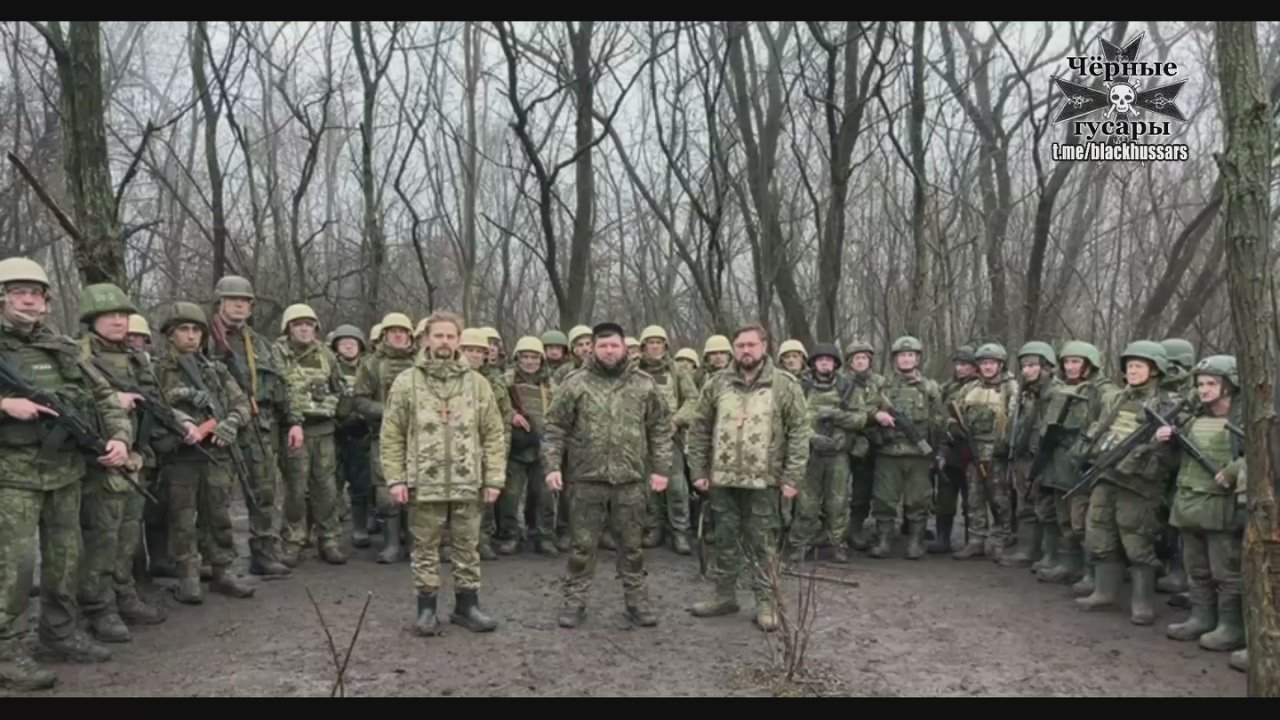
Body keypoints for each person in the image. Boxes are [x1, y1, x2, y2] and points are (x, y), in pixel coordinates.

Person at [0, 257, 132, 689]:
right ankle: (4, 651)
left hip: (65, 471)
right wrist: (3, 404)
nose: (28, 300)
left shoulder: (63, 348)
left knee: (65, 559)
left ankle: (58, 633)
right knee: (14, 568)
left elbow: (106, 396)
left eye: (35, 293)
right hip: (11, 474)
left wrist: (119, 439)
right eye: (18, 291)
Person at [380, 312, 506, 636]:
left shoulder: (478, 384)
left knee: (467, 546)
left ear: (459, 341)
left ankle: (468, 606)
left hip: (468, 481)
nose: (445, 342)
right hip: (424, 481)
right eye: (438, 336)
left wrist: (493, 478)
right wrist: (395, 478)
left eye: (451, 337)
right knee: (424, 548)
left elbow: (493, 433)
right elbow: (391, 434)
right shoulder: (406, 382)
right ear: (425, 339)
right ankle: (426, 609)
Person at [542, 322, 672, 627]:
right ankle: (575, 603)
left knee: (632, 547)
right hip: (586, 478)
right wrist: (551, 466)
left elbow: (660, 428)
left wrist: (662, 469)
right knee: (581, 547)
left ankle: (637, 602)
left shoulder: (644, 384)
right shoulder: (575, 383)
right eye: (602, 346)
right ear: (593, 348)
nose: (609, 351)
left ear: (624, 347)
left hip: (630, 479)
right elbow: (554, 428)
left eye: (614, 345)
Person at [686, 324, 809, 631]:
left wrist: (792, 477)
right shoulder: (717, 384)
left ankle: (765, 601)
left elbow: (799, 432)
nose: (745, 350)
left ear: (764, 347)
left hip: (764, 480)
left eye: (751, 345)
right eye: (740, 345)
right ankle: (725, 595)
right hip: (723, 480)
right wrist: (699, 470)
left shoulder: (784, 385)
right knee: (724, 538)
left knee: (762, 541)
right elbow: (699, 428)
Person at [74, 284, 172, 642]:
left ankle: (124, 594)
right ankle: (98, 606)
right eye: (109, 315)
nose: (118, 321)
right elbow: (70, 398)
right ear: (92, 318)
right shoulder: (77, 355)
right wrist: (113, 398)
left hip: (135, 457)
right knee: (102, 536)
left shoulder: (134, 356)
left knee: (128, 534)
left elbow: (154, 398)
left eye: (122, 314)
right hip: (102, 460)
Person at [152, 302, 256, 603]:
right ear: (170, 335)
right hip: (179, 457)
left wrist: (230, 424)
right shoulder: (156, 370)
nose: (191, 336)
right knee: (182, 518)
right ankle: (188, 576)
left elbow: (241, 404)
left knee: (219, 515)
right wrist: (179, 421)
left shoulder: (216, 370)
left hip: (217, 455)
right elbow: (152, 406)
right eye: (183, 330)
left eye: (196, 330)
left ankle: (223, 571)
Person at [1076, 341, 1185, 625]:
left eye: (1140, 366)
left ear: (1155, 370)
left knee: (1136, 538)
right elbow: (1100, 429)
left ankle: (1142, 603)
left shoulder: (1168, 405)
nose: (1133, 371)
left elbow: (1175, 458)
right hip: (1107, 474)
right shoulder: (1118, 399)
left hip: (1140, 485)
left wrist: (1163, 441)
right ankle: (1104, 592)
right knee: (1098, 530)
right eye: (1130, 366)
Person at [204, 275, 293, 577]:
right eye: (233, 300)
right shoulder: (203, 337)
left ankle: (263, 552)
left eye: (245, 301)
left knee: (263, 489)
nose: (240, 305)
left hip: (257, 423)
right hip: (217, 426)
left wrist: (293, 420)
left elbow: (281, 383)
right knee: (216, 495)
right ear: (220, 303)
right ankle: (218, 561)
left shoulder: (258, 343)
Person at [1162, 355, 1246, 652]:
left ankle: (1230, 627)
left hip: (1221, 506)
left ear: (1229, 386)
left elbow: (1260, 454)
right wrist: (1168, 440)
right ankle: (1201, 617)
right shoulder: (1191, 418)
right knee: (1195, 567)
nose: (1204, 389)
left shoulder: (1242, 419)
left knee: (1226, 571)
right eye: (1200, 384)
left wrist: (1234, 471)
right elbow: (1174, 463)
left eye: (1211, 383)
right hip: (1188, 501)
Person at [275, 304, 348, 565]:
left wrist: (330, 406)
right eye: (298, 324)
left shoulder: (326, 355)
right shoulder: (278, 354)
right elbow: (277, 390)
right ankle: (293, 540)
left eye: (309, 324)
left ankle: (328, 538)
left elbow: (339, 390)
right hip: (294, 430)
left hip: (324, 430)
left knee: (326, 488)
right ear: (289, 328)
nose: (304, 328)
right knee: (295, 488)